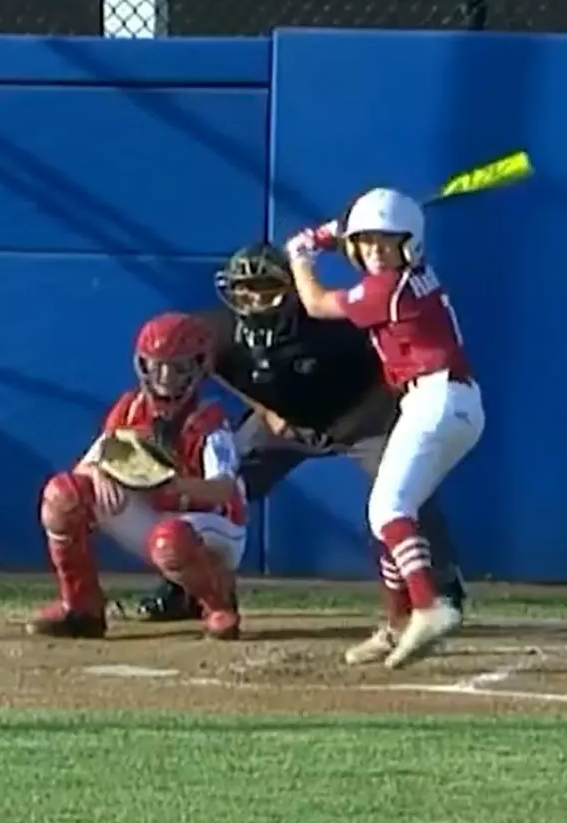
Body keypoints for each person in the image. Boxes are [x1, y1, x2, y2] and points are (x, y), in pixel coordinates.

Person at [133, 242, 467, 650]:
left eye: (265, 287)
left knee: (405, 494)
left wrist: (354, 422)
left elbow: (390, 373)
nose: (254, 299)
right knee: (217, 483)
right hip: (282, 423)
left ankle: (443, 586)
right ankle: (189, 586)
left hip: (360, 419)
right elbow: (205, 363)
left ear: (292, 290)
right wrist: (266, 412)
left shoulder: (334, 328)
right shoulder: (217, 331)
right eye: (244, 289)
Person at [282, 188, 482, 669]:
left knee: (388, 508)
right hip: (451, 402)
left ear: (407, 245)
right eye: (365, 242)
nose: (374, 250)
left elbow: (314, 303)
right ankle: (396, 626)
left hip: (435, 399)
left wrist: (299, 256)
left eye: (385, 242)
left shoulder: (384, 288)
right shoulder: (409, 276)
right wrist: (332, 234)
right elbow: (357, 238)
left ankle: (429, 606)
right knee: (393, 515)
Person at [31, 312, 246, 641]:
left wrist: (169, 483)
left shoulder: (209, 421)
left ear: (199, 365)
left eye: (177, 367)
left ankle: (218, 605)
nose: (164, 376)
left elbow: (223, 491)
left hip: (210, 521)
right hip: (155, 516)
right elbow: (85, 466)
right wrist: (100, 471)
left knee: (170, 540)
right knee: (63, 495)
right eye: (155, 365)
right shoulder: (130, 410)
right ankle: (81, 605)